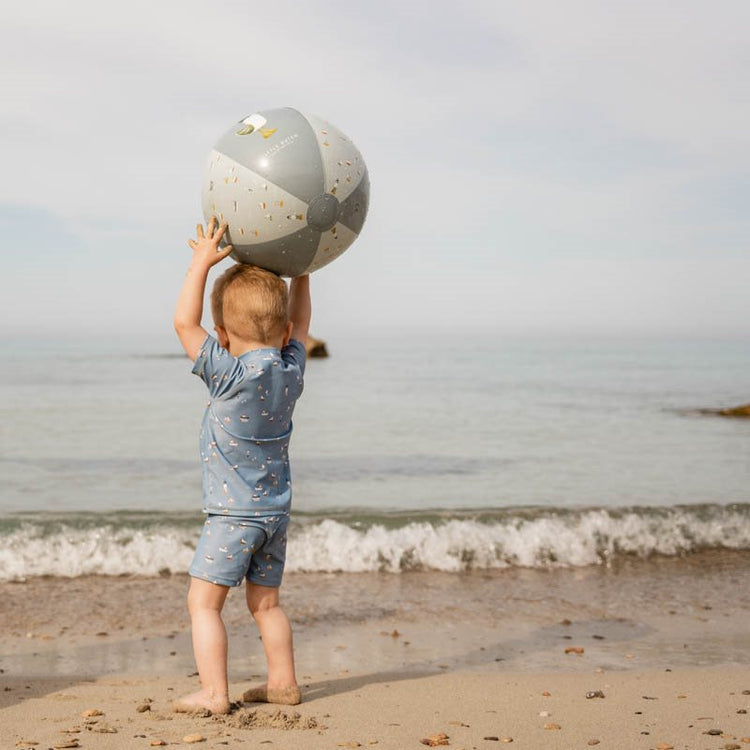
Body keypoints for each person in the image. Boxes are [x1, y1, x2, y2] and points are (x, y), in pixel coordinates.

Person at [173, 216, 311, 715]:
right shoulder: (292, 372)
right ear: (288, 331)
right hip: (276, 516)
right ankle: (282, 683)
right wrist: (304, 273)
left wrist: (200, 264)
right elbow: (304, 326)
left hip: (232, 518)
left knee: (203, 604)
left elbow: (184, 325)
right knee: (267, 604)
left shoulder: (227, 376)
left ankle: (214, 693)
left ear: (223, 335)